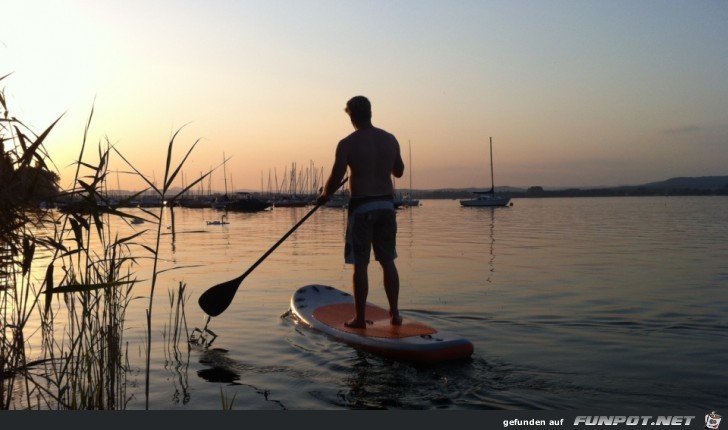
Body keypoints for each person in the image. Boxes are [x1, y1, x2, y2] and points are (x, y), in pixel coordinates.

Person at [317, 96, 405, 329]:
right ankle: (395, 314)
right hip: (386, 206)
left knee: (361, 264)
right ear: (370, 113)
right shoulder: (390, 139)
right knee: (388, 262)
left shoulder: (347, 143)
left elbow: (336, 178)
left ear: (352, 115)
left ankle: (359, 319)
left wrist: (325, 195)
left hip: (363, 206)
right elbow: (399, 172)